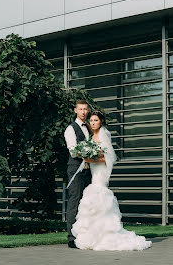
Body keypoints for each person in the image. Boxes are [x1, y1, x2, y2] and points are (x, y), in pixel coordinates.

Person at [71, 110, 152, 251]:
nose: (93, 123)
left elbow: (109, 158)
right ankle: (94, 235)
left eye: (96, 120)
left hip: (100, 172)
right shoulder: (92, 136)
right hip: (93, 170)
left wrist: (89, 159)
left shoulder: (103, 134)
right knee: (93, 200)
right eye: (91, 120)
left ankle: (105, 235)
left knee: (99, 196)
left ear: (101, 121)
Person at [64, 99, 92, 249]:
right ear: (75, 110)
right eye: (80, 109)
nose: (83, 112)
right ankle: (71, 237)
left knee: (87, 202)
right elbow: (73, 150)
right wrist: (88, 154)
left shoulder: (89, 127)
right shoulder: (71, 129)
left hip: (89, 170)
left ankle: (85, 235)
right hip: (76, 168)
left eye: (85, 109)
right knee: (74, 200)